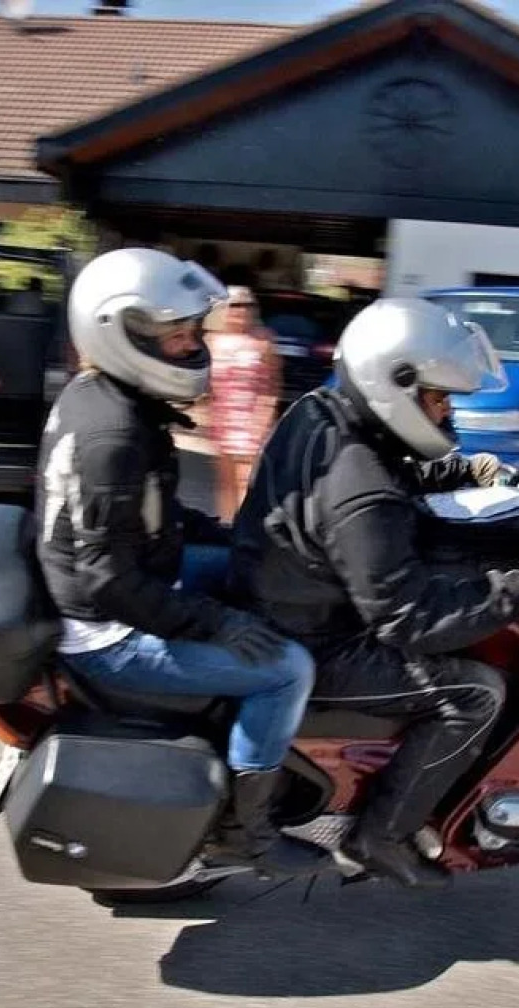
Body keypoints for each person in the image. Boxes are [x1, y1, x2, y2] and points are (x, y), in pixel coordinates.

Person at [228, 297, 519, 890]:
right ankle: (381, 834)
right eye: (439, 396)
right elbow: (411, 619)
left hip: (282, 598)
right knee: (477, 691)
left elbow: (384, 467)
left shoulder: (320, 411)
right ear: (393, 384)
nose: (447, 411)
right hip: (316, 641)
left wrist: (456, 471)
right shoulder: (363, 493)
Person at [36, 247, 327, 877]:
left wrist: (236, 536)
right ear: (123, 333)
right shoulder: (113, 435)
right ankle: (246, 834)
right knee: (287, 670)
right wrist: (215, 624)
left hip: (133, 583)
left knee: (253, 572)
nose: (196, 346)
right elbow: (109, 581)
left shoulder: (107, 399)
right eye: (179, 335)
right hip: (108, 633)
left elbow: (151, 518)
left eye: (195, 331)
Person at [205, 285, 282, 521]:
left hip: (251, 421)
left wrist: (263, 420)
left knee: (247, 482)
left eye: (247, 304)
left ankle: (246, 531)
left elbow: (272, 386)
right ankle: (227, 526)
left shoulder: (263, 340)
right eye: (235, 305)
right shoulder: (211, 340)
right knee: (226, 482)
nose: (241, 310)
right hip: (223, 421)